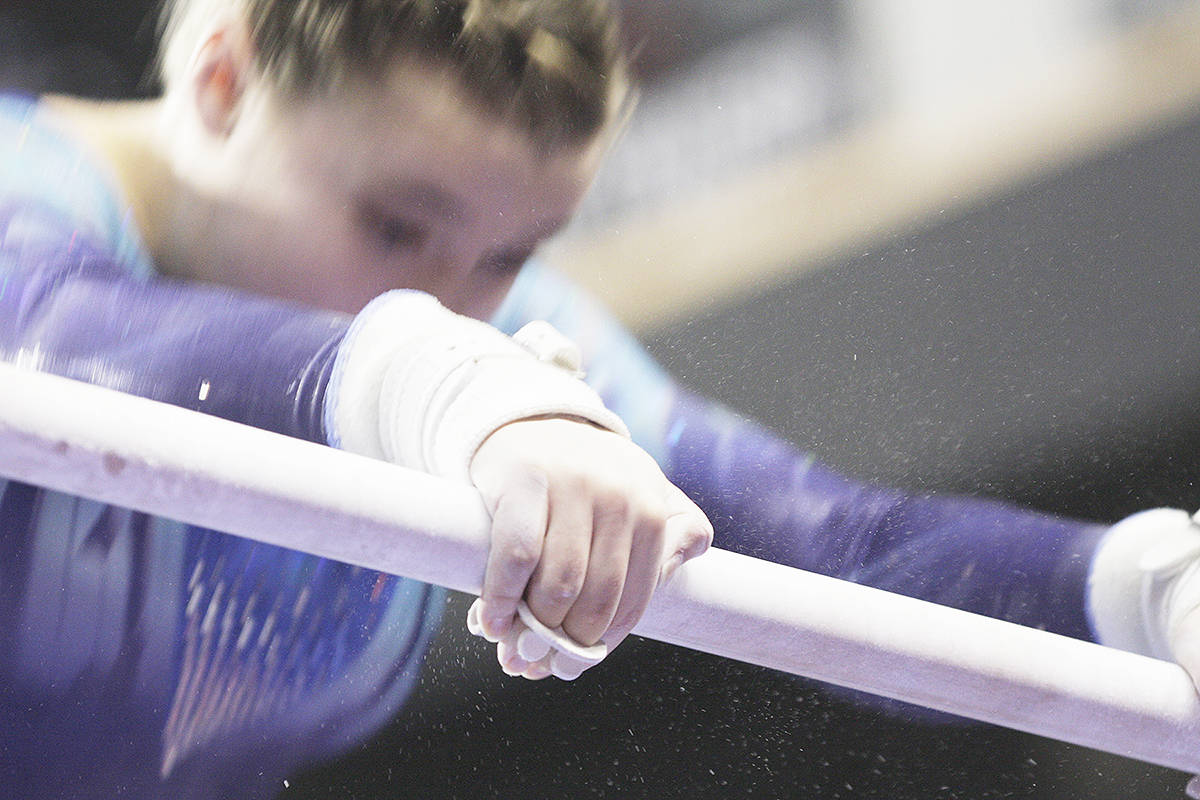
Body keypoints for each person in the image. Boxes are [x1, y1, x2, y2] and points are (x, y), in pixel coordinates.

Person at [1, 0, 1198, 797]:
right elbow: (54, 343)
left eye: (512, 252)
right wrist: (431, 380)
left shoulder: (506, 352)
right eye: (397, 223)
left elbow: (844, 557)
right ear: (221, 79)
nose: (457, 292)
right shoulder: (32, 191)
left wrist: (1139, 590)